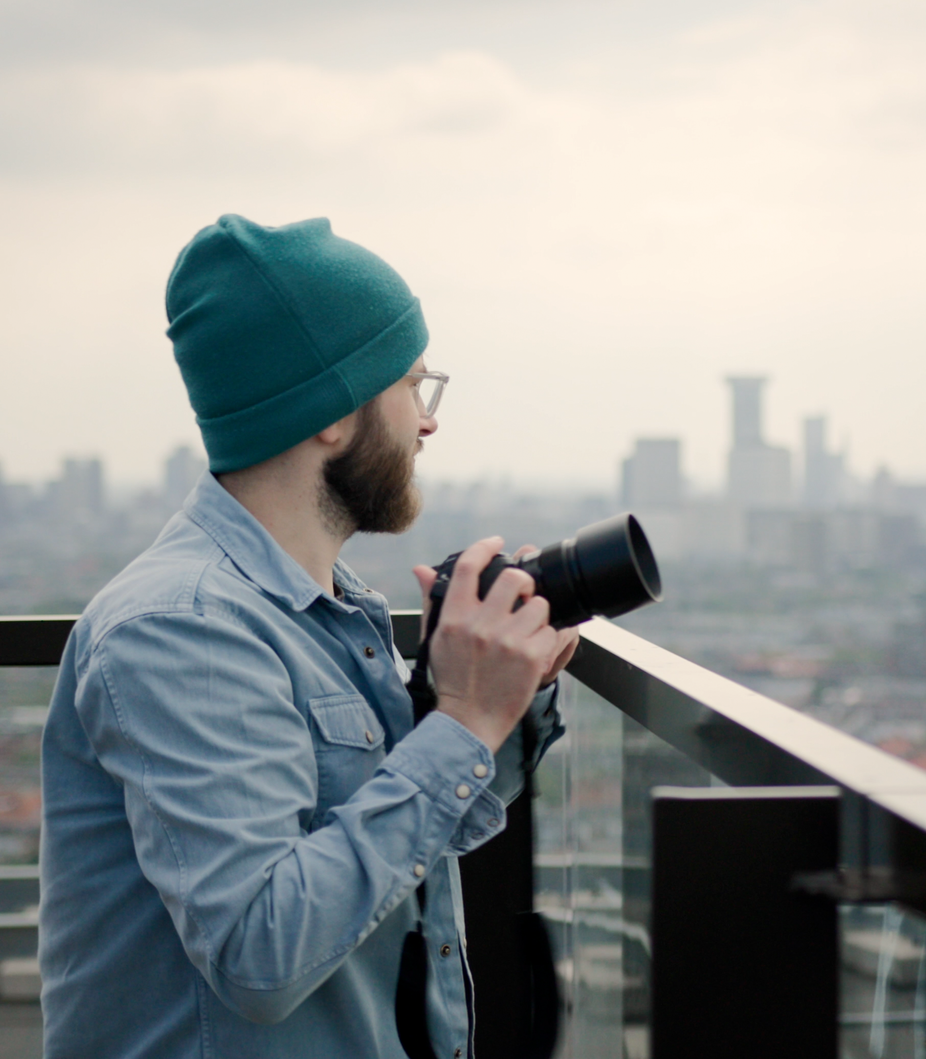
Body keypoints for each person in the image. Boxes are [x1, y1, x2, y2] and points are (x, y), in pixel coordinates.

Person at [38, 214, 576, 1059]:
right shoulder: (185, 627)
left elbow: (425, 831)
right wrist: (463, 724)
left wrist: (504, 696)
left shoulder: (328, 608)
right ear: (332, 413)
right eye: (411, 385)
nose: (426, 424)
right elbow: (260, 956)